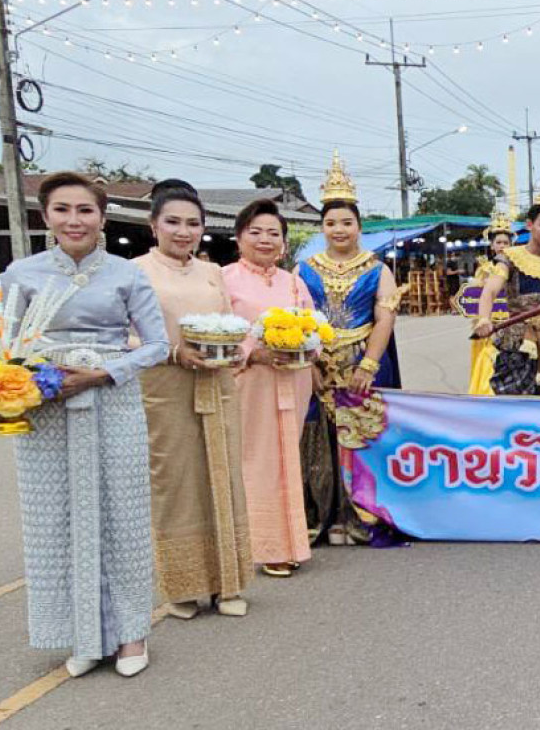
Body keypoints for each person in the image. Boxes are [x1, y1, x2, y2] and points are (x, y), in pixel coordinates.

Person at [3, 172, 169, 678]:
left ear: (102, 217)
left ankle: (132, 632)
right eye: (62, 210)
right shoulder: (21, 273)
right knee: (55, 522)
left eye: (85, 210)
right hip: (46, 402)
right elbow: (6, 347)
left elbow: (158, 345)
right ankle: (81, 635)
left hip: (112, 398)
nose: (74, 220)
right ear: (45, 216)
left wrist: (102, 373)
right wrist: (10, 390)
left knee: (123, 516)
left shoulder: (126, 274)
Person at [134, 180, 252, 619]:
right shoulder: (135, 272)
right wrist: (173, 352)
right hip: (164, 386)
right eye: (173, 222)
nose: (183, 232)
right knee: (177, 482)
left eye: (193, 223)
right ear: (154, 225)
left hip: (217, 383)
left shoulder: (212, 272)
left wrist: (236, 349)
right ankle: (183, 586)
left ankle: (228, 583)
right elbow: (124, 336)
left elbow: (228, 322)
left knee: (224, 476)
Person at [298, 154, 403, 547]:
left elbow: (385, 319)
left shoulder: (377, 269)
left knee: (362, 438)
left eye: (346, 222)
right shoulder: (304, 268)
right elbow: (297, 321)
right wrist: (308, 365)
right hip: (318, 363)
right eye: (331, 223)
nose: (338, 230)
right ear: (322, 227)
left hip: (362, 359)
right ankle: (323, 516)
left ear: (359, 226)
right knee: (319, 439)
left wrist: (369, 364)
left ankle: (359, 516)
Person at [223, 199, 316, 579]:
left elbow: (314, 326)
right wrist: (253, 353)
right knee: (254, 460)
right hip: (250, 381)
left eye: (273, 233)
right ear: (239, 237)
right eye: (255, 232)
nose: (265, 239)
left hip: (293, 379)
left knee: (288, 459)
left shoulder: (293, 282)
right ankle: (260, 545)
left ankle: (291, 543)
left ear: (284, 242)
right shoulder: (224, 279)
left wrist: (308, 346)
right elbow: (218, 334)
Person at [475, 182, 540, 396]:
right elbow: (490, 291)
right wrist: (484, 319)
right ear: (530, 225)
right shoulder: (510, 258)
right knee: (516, 405)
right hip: (518, 345)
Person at [465, 212, 514, 396]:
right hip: (490, 326)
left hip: (512, 324)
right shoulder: (485, 269)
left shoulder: (517, 267)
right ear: (492, 245)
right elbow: (477, 297)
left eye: (506, 242)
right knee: (488, 366)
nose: (502, 246)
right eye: (498, 242)